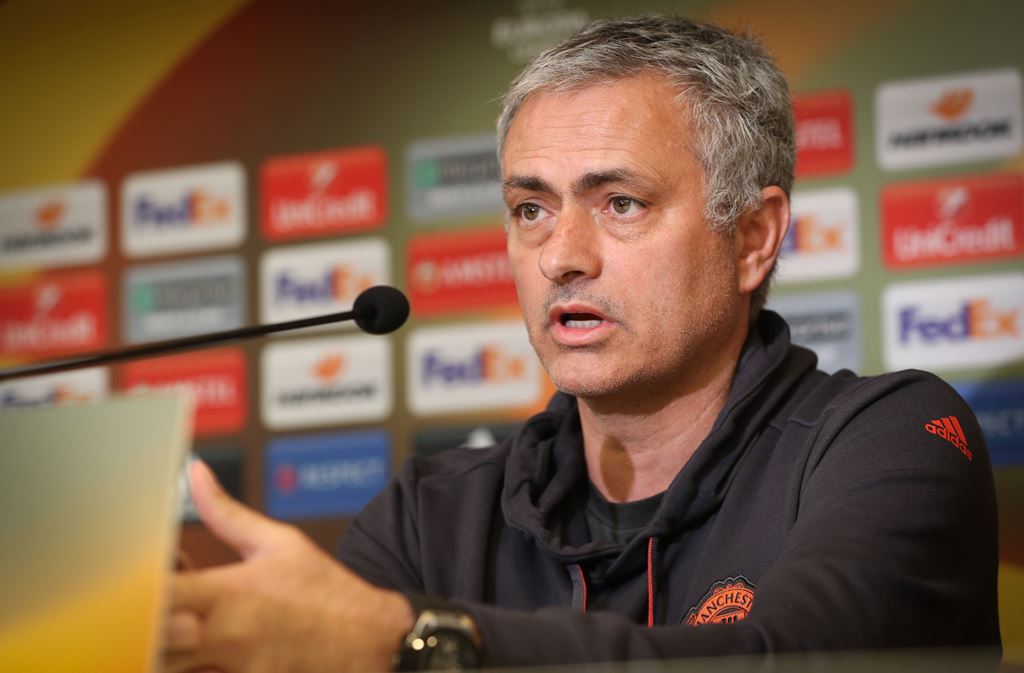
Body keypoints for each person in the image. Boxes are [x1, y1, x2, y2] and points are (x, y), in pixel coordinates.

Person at [164, 15, 1000, 672]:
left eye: (620, 203)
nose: (561, 256)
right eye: (532, 208)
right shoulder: (431, 516)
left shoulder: (892, 439)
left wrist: (415, 640)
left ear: (753, 238)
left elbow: (791, 659)